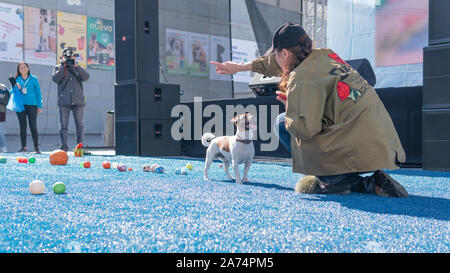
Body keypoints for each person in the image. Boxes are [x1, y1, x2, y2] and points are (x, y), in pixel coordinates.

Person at [211, 22, 408, 198]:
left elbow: (305, 129)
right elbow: (275, 64)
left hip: (355, 144)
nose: (274, 59)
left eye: (276, 54)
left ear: (285, 53)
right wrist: (239, 67)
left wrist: (292, 109)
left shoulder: (301, 77)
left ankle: (344, 181)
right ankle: (361, 178)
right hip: (382, 142)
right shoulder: (325, 54)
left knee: (281, 123)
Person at [52, 53, 90, 151]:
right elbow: (56, 79)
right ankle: (64, 147)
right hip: (64, 101)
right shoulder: (58, 67)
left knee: (80, 125)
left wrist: (77, 66)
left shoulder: (76, 67)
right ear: (63, 57)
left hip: (78, 101)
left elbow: (86, 77)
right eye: (67, 58)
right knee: (63, 125)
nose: (69, 59)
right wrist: (62, 66)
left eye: (71, 58)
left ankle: (80, 147)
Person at [13, 62, 43, 153]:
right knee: (22, 126)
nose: (23, 69)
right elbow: (11, 92)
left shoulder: (34, 79)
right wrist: (16, 88)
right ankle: (24, 147)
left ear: (28, 68)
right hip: (20, 105)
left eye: (25, 67)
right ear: (18, 70)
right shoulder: (16, 79)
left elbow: (38, 93)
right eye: (21, 68)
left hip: (32, 105)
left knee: (33, 126)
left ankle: (36, 147)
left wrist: (39, 106)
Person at [0, 83, 10, 153]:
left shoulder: (3, 88)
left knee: (0, 131)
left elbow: (7, 101)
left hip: (0, 112)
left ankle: (4, 148)